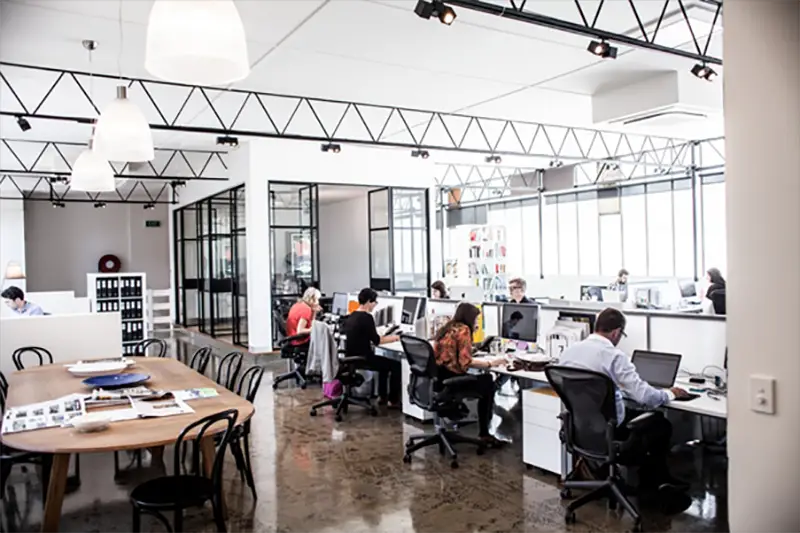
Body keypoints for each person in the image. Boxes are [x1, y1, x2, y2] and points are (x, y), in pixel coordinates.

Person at [558, 308, 691, 490]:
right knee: (660, 423)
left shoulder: (569, 351)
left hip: (580, 427)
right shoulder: (614, 356)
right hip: (609, 428)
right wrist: (670, 393)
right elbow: (646, 397)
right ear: (616, 332)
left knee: (640, 415)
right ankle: (654, 484)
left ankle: (614, 474)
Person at [433, 302, 507, 446]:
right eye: (476, 319)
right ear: (469, 318)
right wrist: (491, 363)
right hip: (452, 380)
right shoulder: (464, 330)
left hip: (440, 377)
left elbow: (451, 354)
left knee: (484, 380)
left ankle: (482, 430)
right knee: (488, 381)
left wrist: (470, 351)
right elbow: (465, 363)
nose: (477, 322)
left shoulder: (447, 328)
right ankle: (484, 434)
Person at [343, 288, 402, 406]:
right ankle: (393, 400)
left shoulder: (351, 316)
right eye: (375, 302)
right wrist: (396, 338)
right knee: (396, 364)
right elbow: (377, 341)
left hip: (352, 358)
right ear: (369, 301)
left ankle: (382, 397)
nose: (375, 305)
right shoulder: (367, 317)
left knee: (384, 365)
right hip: (364, 358)